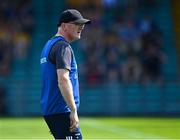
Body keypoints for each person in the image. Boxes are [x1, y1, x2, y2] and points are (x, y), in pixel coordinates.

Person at [40, 9, 90, 139]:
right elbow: (63, 79)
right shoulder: (63, 46)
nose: (81, 27)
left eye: (82, 25)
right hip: (62, 111)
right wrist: (73, 110)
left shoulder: (49, 45)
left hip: (52, 111)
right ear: (64, 25)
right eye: (77, 24)